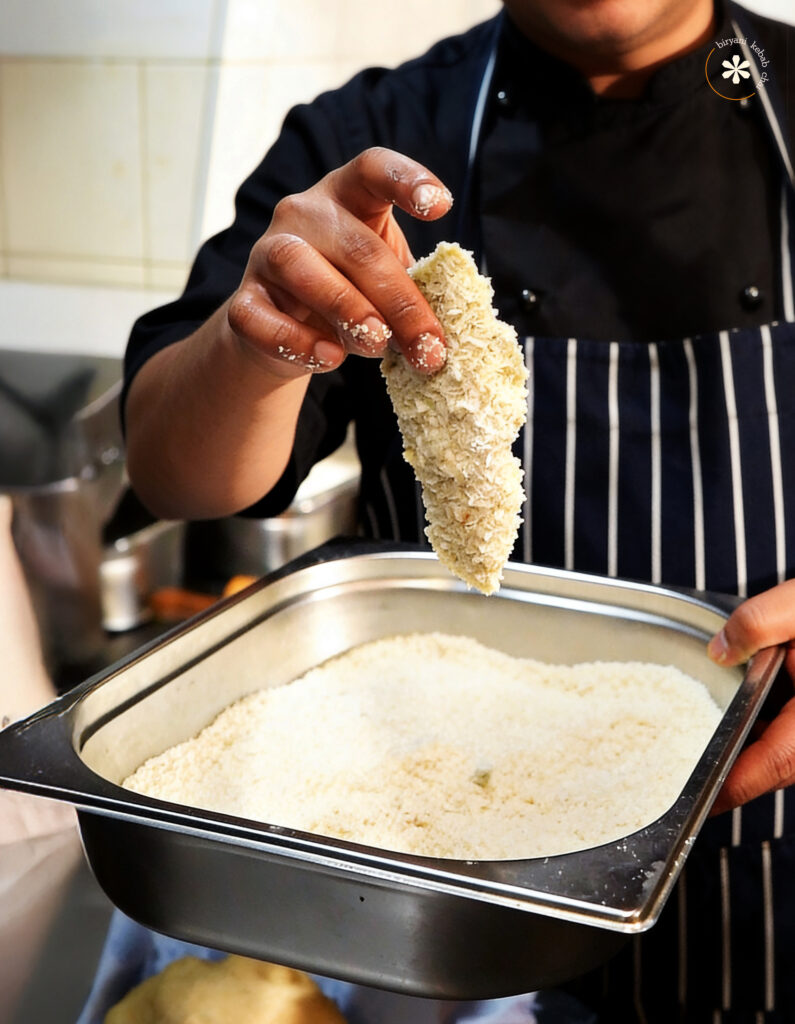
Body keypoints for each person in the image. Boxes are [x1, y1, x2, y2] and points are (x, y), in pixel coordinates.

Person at [121, 0, 795, 1018]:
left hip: (765, 847)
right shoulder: (372, 139)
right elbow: (179, 476)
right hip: (441, 890)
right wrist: (254, 343)